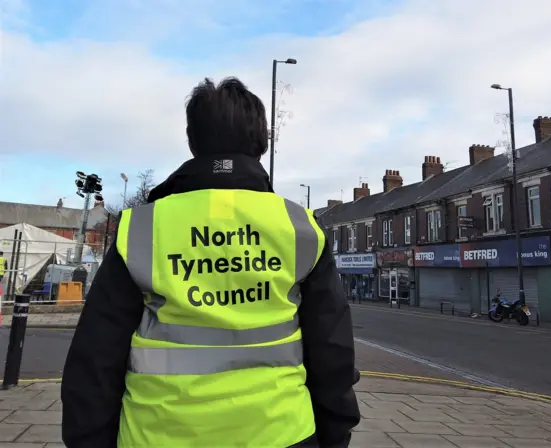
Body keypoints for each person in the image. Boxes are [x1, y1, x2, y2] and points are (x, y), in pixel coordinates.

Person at [61, 77, 361, 448]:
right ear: (262, 144)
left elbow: (95, 357)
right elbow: (332, 352)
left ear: (192, 141)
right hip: (282, 433)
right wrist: (333, 436)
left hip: (156, 435)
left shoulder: (139, 227)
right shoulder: (301, 229)